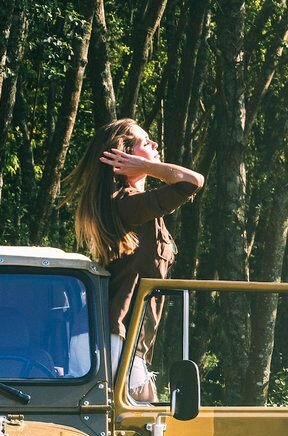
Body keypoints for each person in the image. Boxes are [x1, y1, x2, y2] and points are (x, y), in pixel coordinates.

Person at [65, 119, 203, 401]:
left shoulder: (135, 206)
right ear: (123, 155)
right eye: (145, 142)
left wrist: (144, 166)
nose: (154, 145)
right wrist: (148, 168)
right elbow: (192, 181)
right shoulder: (125, 203)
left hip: (120, 340)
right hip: (112, 341)